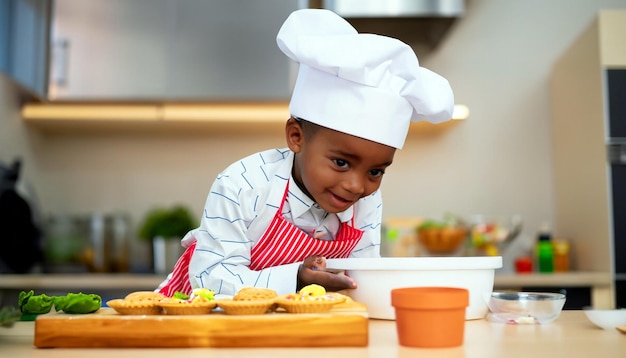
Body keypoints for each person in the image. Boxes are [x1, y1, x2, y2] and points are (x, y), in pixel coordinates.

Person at [156, 8, 454, 297]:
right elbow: (211, 280)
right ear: (296, 137)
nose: (357, 186)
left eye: (375, 171)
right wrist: (294, 278)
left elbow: (364, 277)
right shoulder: (243, 184)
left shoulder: (367, 202)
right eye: (341, 162)